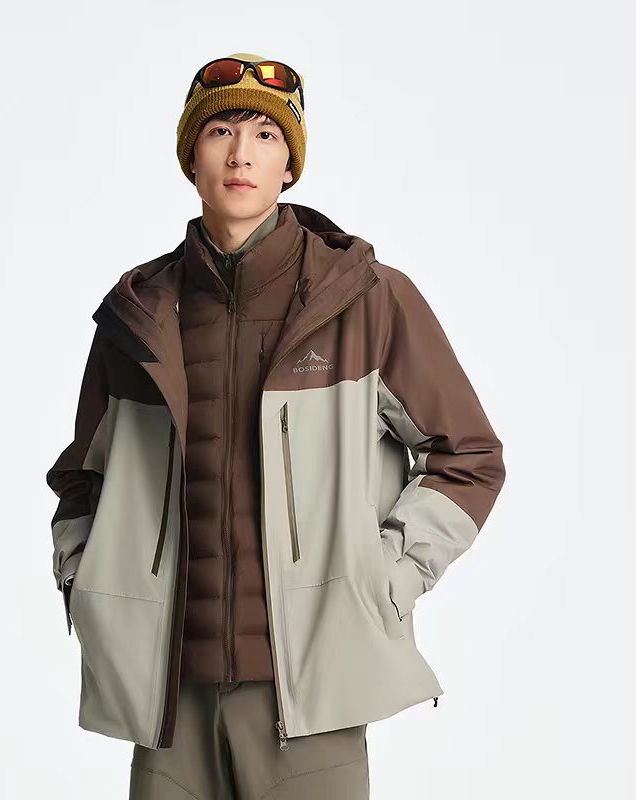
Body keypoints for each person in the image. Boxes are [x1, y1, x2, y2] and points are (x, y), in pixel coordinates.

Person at [46, 52, 506, 799]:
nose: (241, 154)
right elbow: (82, 479)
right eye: (220, 130)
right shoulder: (139, 317)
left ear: (289, 165)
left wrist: (386, 578)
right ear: (191, 157)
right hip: (169, 702)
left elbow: (469, 457)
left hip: (311, 706)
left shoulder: (365, 300)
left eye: (265, 136)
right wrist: (86, 584)